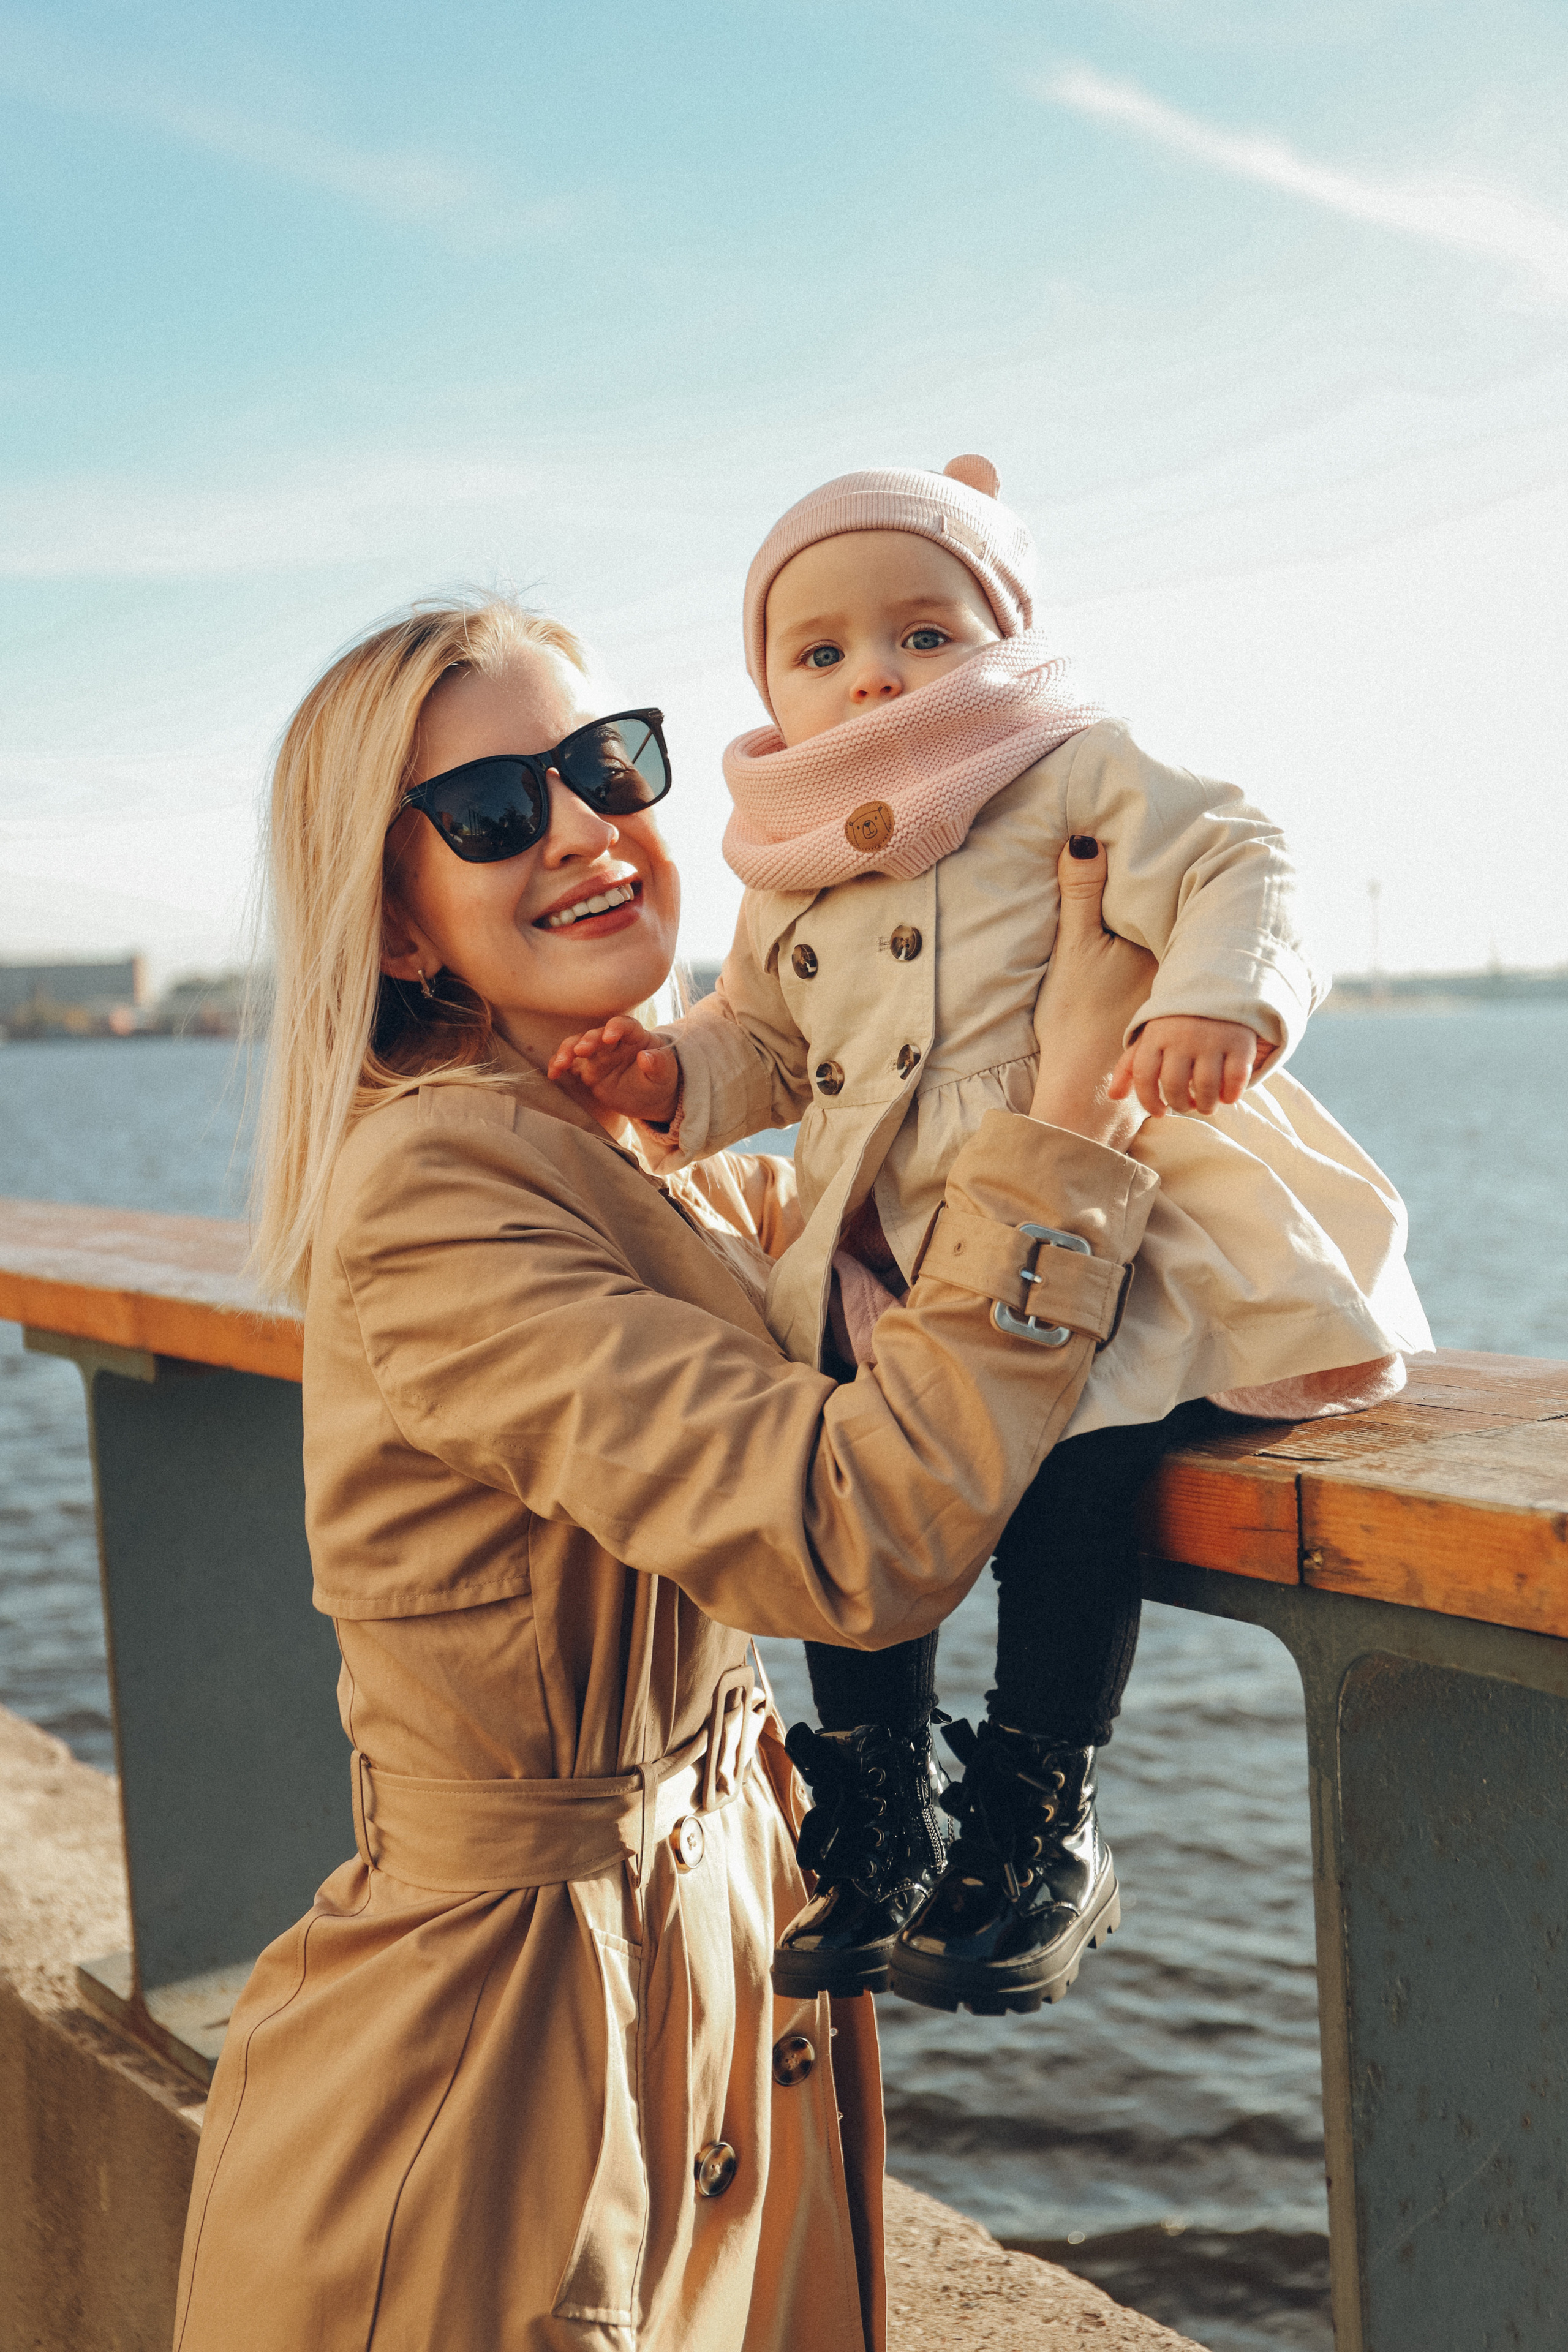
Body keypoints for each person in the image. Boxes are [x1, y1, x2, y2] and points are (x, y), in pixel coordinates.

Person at [173, 593, 1167, 2352]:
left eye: (603, 763)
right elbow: (856, 1534)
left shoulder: (638, 1150)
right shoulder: (438, 1196)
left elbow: (919, 1266)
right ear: (400, 927)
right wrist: (1072, 1119)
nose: (579, 827)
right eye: (491, 812)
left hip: (705, 1955)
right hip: (488, 2080)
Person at [551, 458, 1431, 2023]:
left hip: (1063, 1215)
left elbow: (1239, 855)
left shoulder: (1067, 767)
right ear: (767, 682)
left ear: (1002, 642)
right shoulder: (790, 857)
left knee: (1074, 1479)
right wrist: (670, 1074)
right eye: (816, 654)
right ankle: (875, 1819)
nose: (870, 674)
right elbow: (763, 1031)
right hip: (878, 1239)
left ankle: (1035, 1817)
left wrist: (1216, 996)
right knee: (844, 1506)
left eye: (923, 634)